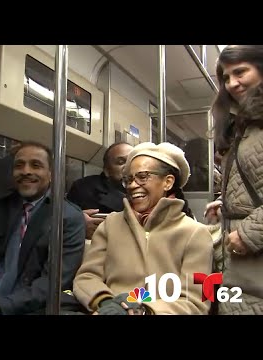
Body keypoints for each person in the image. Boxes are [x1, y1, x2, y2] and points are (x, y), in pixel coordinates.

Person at [73, 142, 213, 315]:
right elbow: (87, 277)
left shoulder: (195, 233)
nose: (132, 185)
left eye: (143, 176)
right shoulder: (110, 225)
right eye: (129, 179)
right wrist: (107, 303)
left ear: (168, 182)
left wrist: (145, 310)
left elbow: (196, 301)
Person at [0, 141, 86, 315]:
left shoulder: (66, 217)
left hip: (25, 307)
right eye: (19, 166)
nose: (26, 171)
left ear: (51, 174)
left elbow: (51, 283)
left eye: (36, 165)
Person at [206, 45, 263, 315]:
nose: (232, 83)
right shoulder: (245, 125)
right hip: (243, 270)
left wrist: (249, 232)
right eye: (226, 77)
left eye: (240, 72)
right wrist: (227, 203)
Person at [67, 142, 133, 239]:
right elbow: (62, 218)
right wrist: (78, 223)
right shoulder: (85, 188)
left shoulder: (149, 189)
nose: (128, 167)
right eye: (121, 162)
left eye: (132, 161)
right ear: (107, 170)